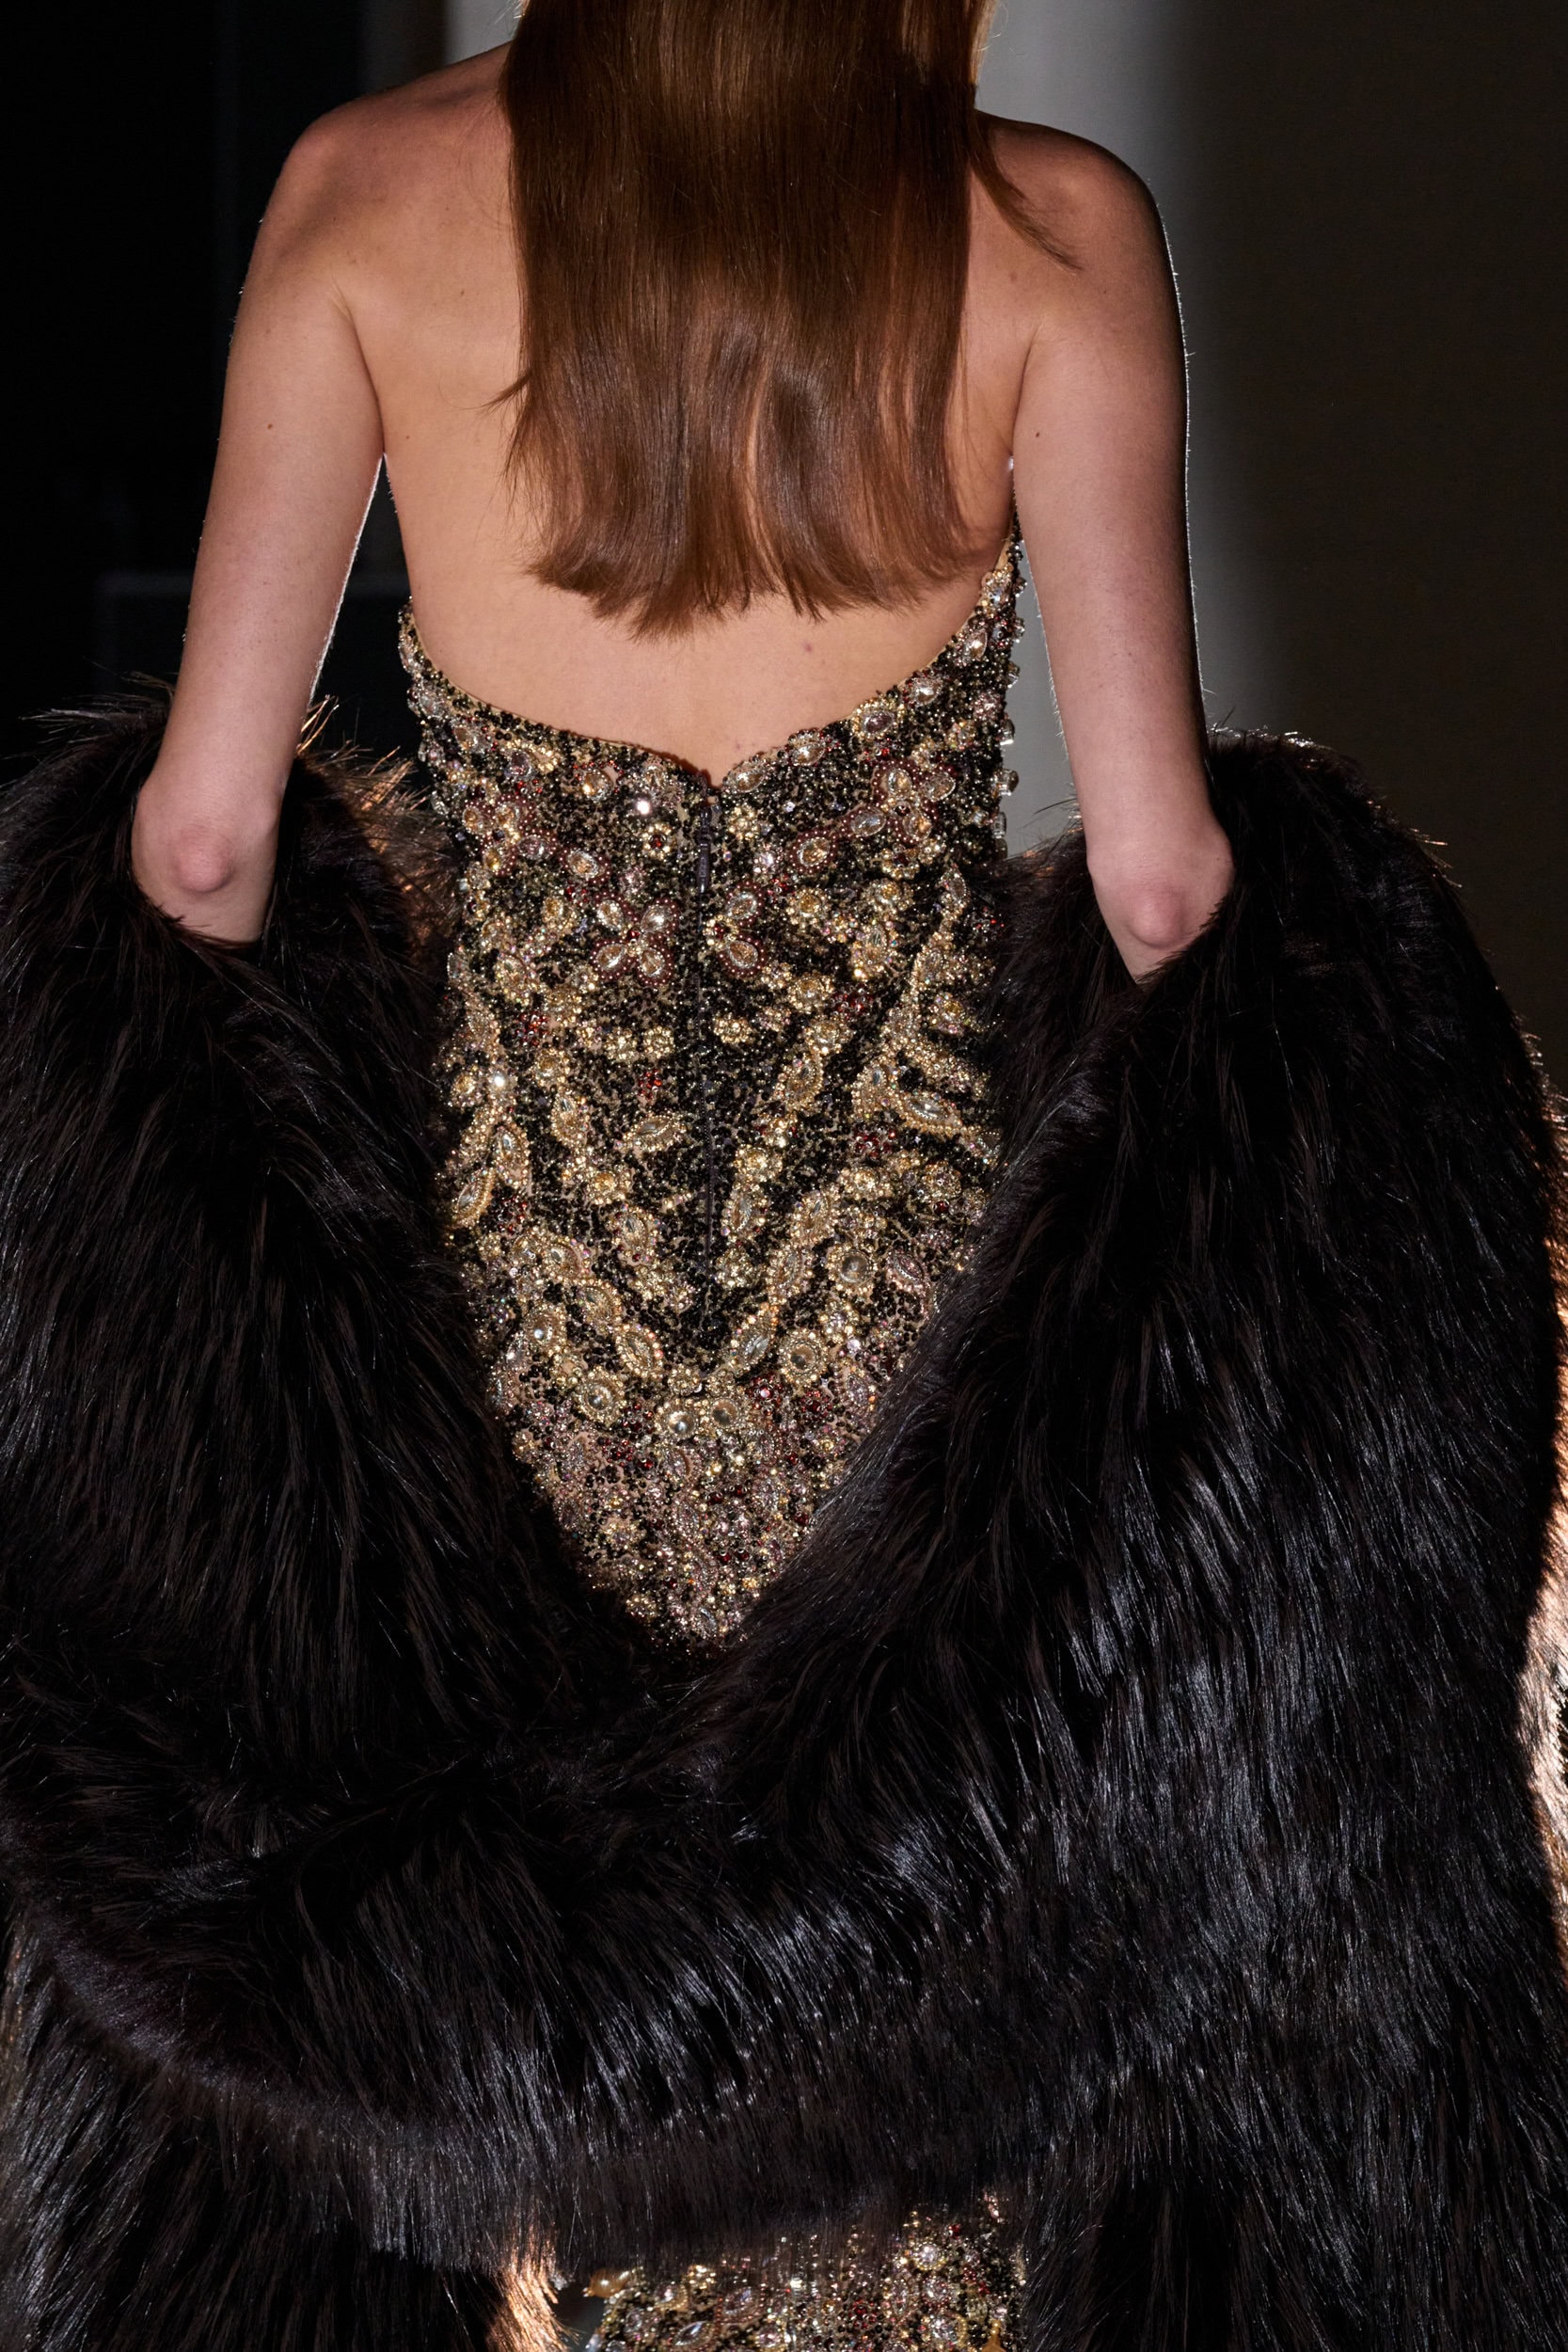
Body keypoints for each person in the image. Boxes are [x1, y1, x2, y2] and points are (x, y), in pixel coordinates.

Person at [2, 6, 1566, 2349]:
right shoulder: (1043, 232)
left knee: (581, 2055)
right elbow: (1161, 887)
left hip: (527, 1323)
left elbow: (205, 845)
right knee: (889, 2044)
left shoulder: (365, 197)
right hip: (908, 1311)